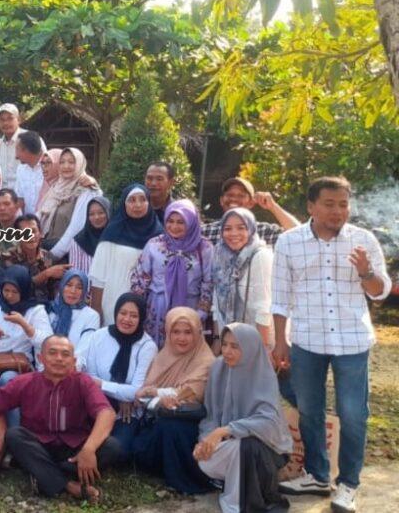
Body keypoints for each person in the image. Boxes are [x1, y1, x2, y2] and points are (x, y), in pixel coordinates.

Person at [272, 177, 390, 512]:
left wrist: (366, 272)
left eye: (343, 204)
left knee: (353, 414)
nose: (337, 211)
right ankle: (318, 474)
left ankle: (348, 484)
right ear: (310, 206)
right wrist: (280, 341)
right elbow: (280, 297)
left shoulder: (363, 240)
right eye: (329, 204)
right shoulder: (289, 242)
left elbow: (380, 292)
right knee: (309, 410)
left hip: (352, 340)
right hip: (307, 340)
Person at [0, 336, 119, 503]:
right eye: (52, 353)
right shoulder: (25, 382)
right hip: (39, 446)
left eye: (65, 354)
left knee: (113, 447)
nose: (59, 358)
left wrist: (88, 450)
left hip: (75, 449)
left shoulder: (83, 381)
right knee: (14, 435)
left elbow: (106, 413)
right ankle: (68, 484)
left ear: (73, 361)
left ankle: (42, 474)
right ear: (40, 358)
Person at [196, 323, 292, 513]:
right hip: (229, 445)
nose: (227, 351)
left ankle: (238, 503)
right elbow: (210, 416)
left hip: (266, 451)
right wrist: (205, 442)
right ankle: (234, 486)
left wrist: (226, 430)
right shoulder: (218, 368)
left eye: (235, 346)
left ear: (249, 347)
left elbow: (269, 423)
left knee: (246, 446)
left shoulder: (263, 374)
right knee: (205, 459)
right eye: (224, 345)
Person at [132, 307, 215, 495]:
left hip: (191, 424)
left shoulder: (206, 360)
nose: (181, 338)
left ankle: (181, 478)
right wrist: (155, 396)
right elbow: (142, 395)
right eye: (175, 332)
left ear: (198, 333)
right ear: (168, 333)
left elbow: (190, 394)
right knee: (138, 448)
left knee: (171, 427)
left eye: (188, 332)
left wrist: (154, 393)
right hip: (159, 419)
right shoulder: (164, 355)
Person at [75, 293, 158, 462]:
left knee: (119, 451)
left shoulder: (147, 346)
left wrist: (104, 386)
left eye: (134, 315)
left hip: (127, 413)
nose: (127, 319)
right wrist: (120, 394)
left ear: (141, 317)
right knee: (76, 436)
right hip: (95, 404)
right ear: (115, 313)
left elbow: (136, 391)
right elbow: (88, 376)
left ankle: (77, 462)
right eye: (123, 313)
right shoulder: (99, 336)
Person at [0, 265, 51, 427]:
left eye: (15, 292)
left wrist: (24, 324)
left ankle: (14, 433)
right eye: (6, 290)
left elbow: (46, 341)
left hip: (18, 366)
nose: (9, 296)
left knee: (8, 380)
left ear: (24, 290)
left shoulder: (35, 309)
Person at [131, 199, 213, 348]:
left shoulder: (204, 248)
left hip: (189, 309)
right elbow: (140, 278)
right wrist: (137, 309)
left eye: (181, 222)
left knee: (184, 353)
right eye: (170, 221)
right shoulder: (154, 244)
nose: (174, 227)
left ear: (191, 222)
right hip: (157, 308)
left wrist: (201, 312)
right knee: (154, 352)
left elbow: (209, 283)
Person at [89, 184, 163, 325]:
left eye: (142, 199)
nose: (137, 205)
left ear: (149, 202)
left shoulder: (159, 236)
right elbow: (98, 278)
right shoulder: (112, 233)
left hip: (149, 308)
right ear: (124, 204)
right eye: (132, 200)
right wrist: (96, 312)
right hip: (113, 303)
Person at [210, 208, 273, 350]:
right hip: (229, 341)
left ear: (251, 229)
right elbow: (217, 304)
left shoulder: (260, 256)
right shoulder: (220, 254)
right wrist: (217, 340)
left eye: (241, 228)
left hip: (254, 339)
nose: (233, 234)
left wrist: (262, 350)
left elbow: (264, 307)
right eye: (227, 228)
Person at [40, 148, 103, 258]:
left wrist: (53, 255)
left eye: (71, 162)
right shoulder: (57, 187)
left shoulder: (86, 190)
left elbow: (76, 228)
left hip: (69, 254)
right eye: (62, 162)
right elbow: (40, 214)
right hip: (47, 247)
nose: (66, 166)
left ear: (79, 164)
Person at [200, 177, 299, 246]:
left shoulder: (263, 231)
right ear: (221, 200)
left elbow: (299, 234)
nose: (234, 199)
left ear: (251, 203)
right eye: (230, 195)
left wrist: (273, 206)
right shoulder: (207, 232)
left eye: (241, 196)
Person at [0, 214, 66, 302]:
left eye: (34, 231)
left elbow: (54, 288)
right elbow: (16, 288)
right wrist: (45, 274)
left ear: (41, 233)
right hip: (18, 307)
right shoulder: (7, 257)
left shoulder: (48, 257)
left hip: (45, 307)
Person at [48, 269, 101, 347]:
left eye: (79, 288)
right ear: (62, 286)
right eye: (69, 285)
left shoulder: (91, 316)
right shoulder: (49, 309)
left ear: (84, 291)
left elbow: (85, 349)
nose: (73, 291)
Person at [68, 196, 111, 274]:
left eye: (101, 213)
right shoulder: (78, 241)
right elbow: (75, 274)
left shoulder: (117, 239)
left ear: (108, 213)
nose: (96, 217)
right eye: (91, 214)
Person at [0, 103, 25, 189]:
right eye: (2, 120)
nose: (6, 123)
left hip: (26, 194)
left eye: (10, 118)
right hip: (3, 195)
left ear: (18, 120)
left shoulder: (29, 139)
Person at [13, 130, 45, 214]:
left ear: (26, 150)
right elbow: (20, 199)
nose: (16, 156)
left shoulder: (50, 167)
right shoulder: (21, 169)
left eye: (17, 150)